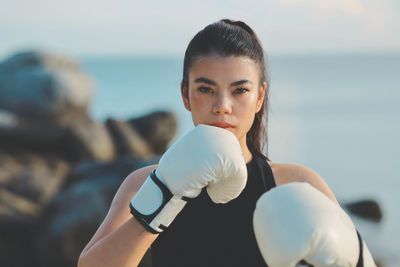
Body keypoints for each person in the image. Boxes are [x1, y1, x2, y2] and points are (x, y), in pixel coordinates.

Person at [78, 19, 375, 267]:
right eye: (206, 89)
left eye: (239, 90)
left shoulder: (296, 183)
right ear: (185, 95)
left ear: (259, 97)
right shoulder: (145, 183)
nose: (222, 105)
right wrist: (165, 198)